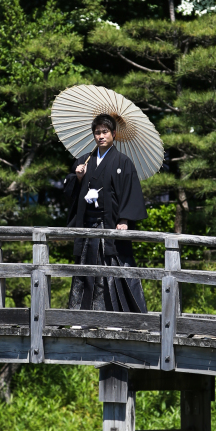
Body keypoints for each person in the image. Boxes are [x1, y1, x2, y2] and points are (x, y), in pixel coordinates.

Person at [64, 114, 148, 312]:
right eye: (97, 133)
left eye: (104, 132)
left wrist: (124, 219)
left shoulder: (123, 161)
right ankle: (82, 317)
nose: (101, 136)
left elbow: (130, 191)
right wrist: (77, 177)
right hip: (87, 225)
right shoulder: (85, 160)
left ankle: (117, 317)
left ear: (113, 134)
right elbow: (69, 193)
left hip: (110, 224)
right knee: (86, 270)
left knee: (112, 271)